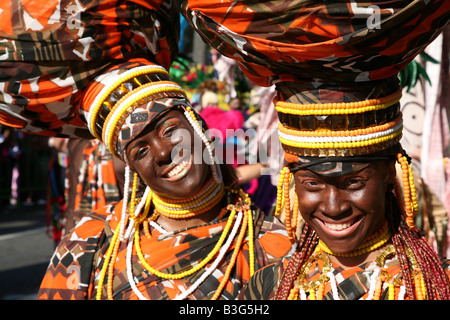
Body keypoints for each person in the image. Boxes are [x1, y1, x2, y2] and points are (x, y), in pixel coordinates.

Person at [178, 0, 450, 299]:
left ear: (389, 173)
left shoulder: (437, 284)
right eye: (312, 184)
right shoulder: (267, 286)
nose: (334, 207)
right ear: (290, 182)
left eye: (353, 182)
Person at [37, 60, 294, 300]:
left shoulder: (274, 245)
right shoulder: (91, 242)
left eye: (170, 130)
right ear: (133, 169)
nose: (162, 152)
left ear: (200, 125)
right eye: (141, 151)